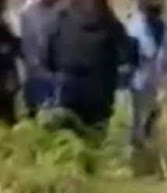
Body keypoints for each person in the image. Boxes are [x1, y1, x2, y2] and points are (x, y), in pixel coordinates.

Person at [43, 0, 132, 131]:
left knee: (68, 143)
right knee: (96, 143)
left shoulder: (61, 19)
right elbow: (125, 56)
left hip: (67, 92)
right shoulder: (110, 23)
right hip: (100, 95)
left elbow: (47, 58)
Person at [125, 0, 167, 147]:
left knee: (153, 121)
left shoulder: (163, 28)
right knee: (135, 124)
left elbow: (164, 58)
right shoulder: (134, 29)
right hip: (137, 85)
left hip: (155, 83)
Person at [18, 0, 61, 113]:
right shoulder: (28, 14)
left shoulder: (68, 11)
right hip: (38, 80)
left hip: (62, 80)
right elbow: (28, 51)